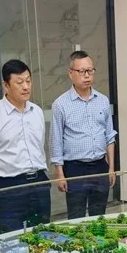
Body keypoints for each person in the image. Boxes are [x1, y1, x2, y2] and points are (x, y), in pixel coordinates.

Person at [0, 59, 50, 233]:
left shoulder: (37, 112)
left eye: (28, 81)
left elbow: (39, 145)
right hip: (10, 187)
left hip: (39, 182)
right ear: (6, 85)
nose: (26, 87)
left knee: (42, 235)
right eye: (19, 82)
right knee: (11, 238)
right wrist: (4, 172)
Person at [50, 50, 117, 219]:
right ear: (70, 74)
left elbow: (110, 136)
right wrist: (60, 174)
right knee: (76, 216)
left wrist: (111, 168)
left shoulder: (102, 100)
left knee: (99, 215)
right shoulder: (60, 104)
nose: (87, 76)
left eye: (90, 71)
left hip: (100, 166)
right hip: (75, 168)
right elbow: (56, 140)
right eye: (82, 71)